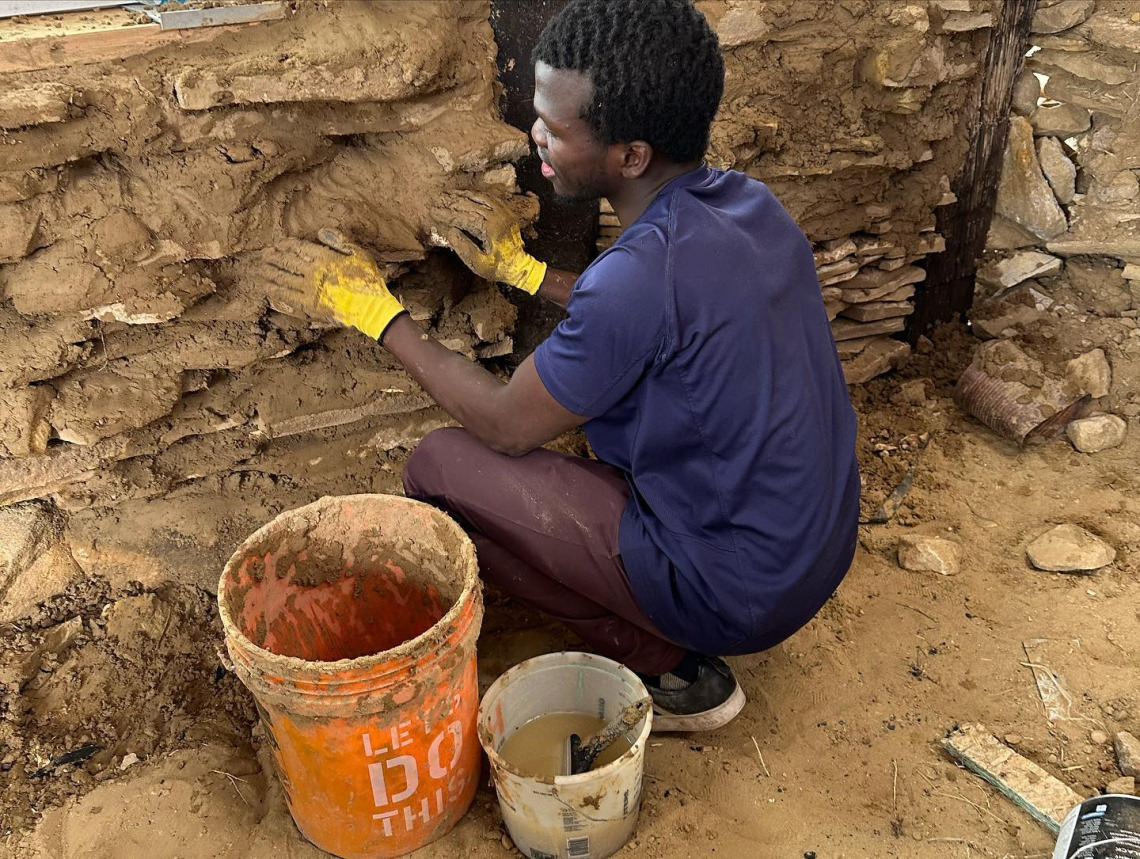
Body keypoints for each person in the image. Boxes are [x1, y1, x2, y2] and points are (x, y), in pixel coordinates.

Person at [259, 0, 859, 732]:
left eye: (555, 126)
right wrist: (524, 273)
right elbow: (650, 314)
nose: (533, 135)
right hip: (813, 547)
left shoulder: (639, 279)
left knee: (441, 468)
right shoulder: (746, 206)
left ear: (630, 155)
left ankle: (675, 672)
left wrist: (378, 315)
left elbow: (508, 426)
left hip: (737, 592)